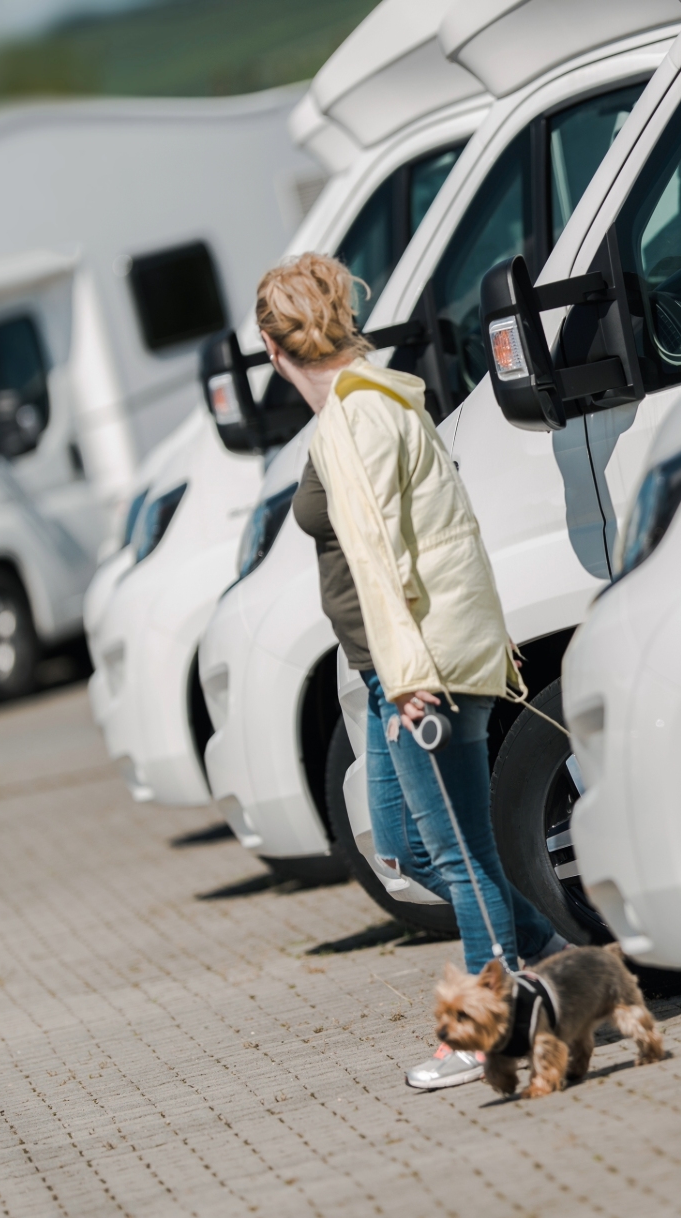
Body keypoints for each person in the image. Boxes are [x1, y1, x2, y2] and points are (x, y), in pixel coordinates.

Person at [259, 252, 559, 1090]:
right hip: (400, 664)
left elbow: (380, 557)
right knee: (404, 844)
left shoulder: (353, 422)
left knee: (458, 857)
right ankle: (559, 961)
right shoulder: (376, 401)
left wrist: (406, 674)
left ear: (276, 350)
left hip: (416, 669)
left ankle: (486, 1034)